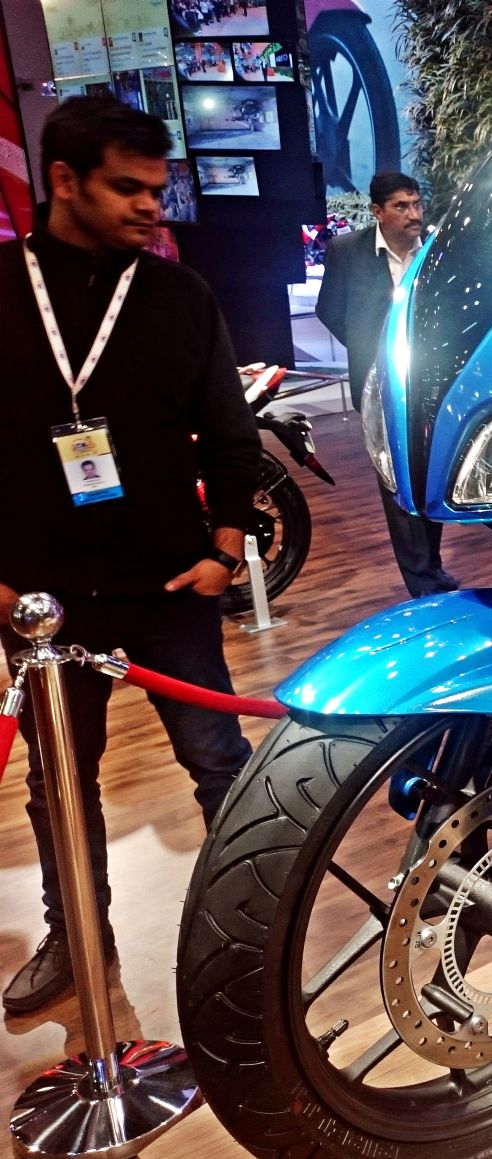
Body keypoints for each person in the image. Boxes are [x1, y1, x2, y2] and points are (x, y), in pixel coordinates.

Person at [0, 97, 258, 1015]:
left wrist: (227, 545)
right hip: (42, 603)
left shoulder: (180, 296)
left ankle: (258, 920)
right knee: (58, 786)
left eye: (157, 187)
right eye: (127, 188)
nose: (152, 206)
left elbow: (230, 433)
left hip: (170, 585)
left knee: (220, 761)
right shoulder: (2, 289)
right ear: (63, 180)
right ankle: (78, 938)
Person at [317, 171, 459, 597]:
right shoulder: (347, 251)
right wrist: (369, 352)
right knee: (396, 480)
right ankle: (422, 582)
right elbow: (330, 310)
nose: (414, 214)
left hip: (432, 385)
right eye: (401, 206)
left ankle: (432, 566)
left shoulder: (437, 249)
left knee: (430, 477)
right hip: (379, 388)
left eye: (417, 204)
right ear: (377, 211)